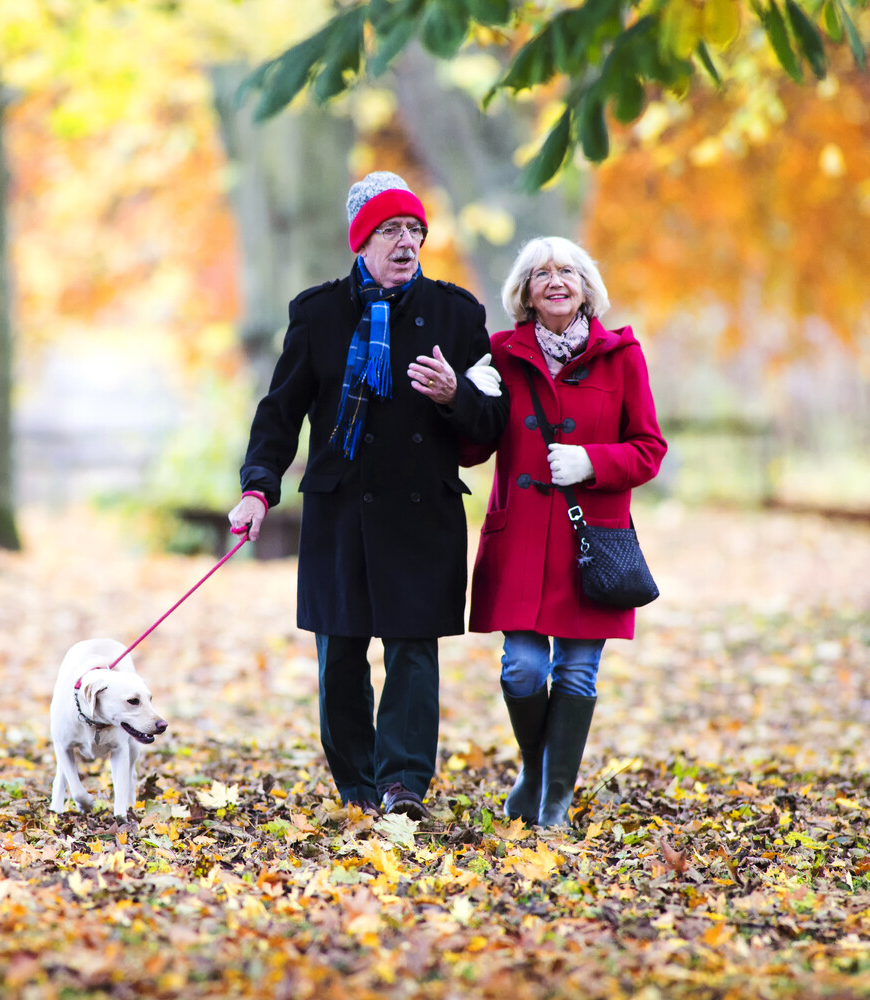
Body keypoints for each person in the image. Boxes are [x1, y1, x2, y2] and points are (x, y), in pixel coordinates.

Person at [228, 171, 506, 820]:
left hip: (422, 509)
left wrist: (453, 396)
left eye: (415, 230)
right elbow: (278, 415)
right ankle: (356, 784)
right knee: (340, 655)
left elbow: (491, 424)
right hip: (340, 509)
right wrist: (257, 489)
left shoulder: (458, 315)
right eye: (390, 230)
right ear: (362, 240)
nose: (406, 242)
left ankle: (404, 784)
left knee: (412, 652)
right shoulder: (318, 313)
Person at [462, 236, 667, 828]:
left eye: (569, 270)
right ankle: (536, 767)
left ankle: (552, 800)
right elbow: (472, 451)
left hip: (589, 543)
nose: (556, 280)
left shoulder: (621, 356)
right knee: (521, 668)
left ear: (586, 286)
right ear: (524, 292)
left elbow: (649, 449)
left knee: (577, 672)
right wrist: (471, 399)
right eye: (541, 272)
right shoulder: (500, 353)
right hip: (522, 540)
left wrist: (592, 463)